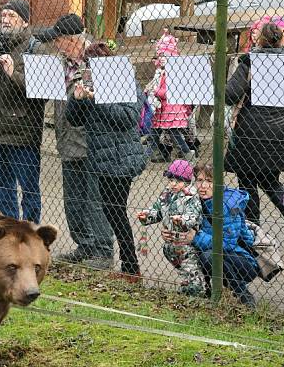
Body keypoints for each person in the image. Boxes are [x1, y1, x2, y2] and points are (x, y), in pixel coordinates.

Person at [65, 41, 148, 281]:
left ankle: (131, 268)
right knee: (113, 211)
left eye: (93, 65)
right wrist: (78, 99)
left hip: (121, 159)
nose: (89, 70)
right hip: (101, 159)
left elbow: (128, 118)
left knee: (116, 211)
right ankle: (130, 268)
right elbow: (75, 120)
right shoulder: (89, 82)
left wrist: (99, 98)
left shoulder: (126, 82)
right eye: (88, 65)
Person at [39, 13, 113, 267]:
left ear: (71, 40)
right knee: (73, 200)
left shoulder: (98, 61)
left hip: (91, 142)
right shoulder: (61, 65)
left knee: (94, 201)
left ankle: (103, 251)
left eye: (58, 40)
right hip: (66, 140)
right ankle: (85, 245)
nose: (55, 45)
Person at [0, 0, 44, 222]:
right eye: (4, 16)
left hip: (22, 133)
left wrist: (13, 73)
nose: (5, 21)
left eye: (11, 16)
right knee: (1, 190)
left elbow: (41, 91)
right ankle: (9, 233)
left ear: (25, 22)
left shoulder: (35, 48)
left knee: (29, 191)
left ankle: (31, 233)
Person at [225, 22, 284, 225]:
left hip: (249, 132)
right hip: (279, 133)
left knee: (247, 184)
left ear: (259, 39)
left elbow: (231, 94)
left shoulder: (250, 61)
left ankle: (252, 232)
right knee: (271, 182)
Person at [182, 163, 260, 306]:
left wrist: (195, 237)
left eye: (209, 181)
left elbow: (228, 244)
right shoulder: (192, 201)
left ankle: (242, 294)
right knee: (175, 248)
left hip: (242, 260)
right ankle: (203, 290)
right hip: (213, 252)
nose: (203, 186)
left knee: (208, 256)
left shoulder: (228, 205)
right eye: (199, 180)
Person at [137, 159, 205, 296]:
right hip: (171, 240)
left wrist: (182, 220)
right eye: (171, 180)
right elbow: (157, 210)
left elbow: (193, 216)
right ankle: (186, 285)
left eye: (178, 181)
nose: (173, 184)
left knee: (189, 265)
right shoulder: (167, 194)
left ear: (186, 181)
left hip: (186, 241)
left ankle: (197, 290)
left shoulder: (190, 196)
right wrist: (147, 215)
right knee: (179, 264)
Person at [149, 31, 195, 162]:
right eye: (160, 55)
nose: (162, 58)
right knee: (155, 131)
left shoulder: (172, 72)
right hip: (164, 108)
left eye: (165, 55)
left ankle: (187, 153)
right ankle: (149, 153)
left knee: (173, 133)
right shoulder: (163, 70)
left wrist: (156, 91)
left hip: (171, 108)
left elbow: (167, 91)